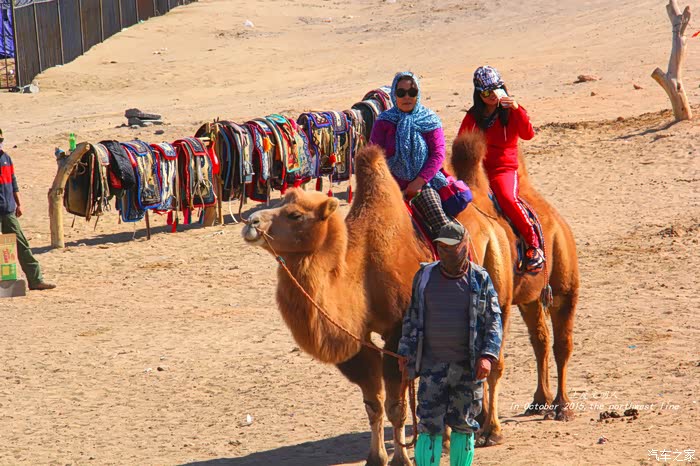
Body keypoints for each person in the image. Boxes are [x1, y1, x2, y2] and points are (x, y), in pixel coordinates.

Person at [398, 222, 502, 466]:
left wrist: (487, 356)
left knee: (464, 425)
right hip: (432, 369)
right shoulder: (424, 277)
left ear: (464, 246)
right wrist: (405, 352)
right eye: (442, 247)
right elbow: (412, 317)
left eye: (452, 247)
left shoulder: (479, 279)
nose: (447, 252)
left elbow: (493, 320)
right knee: (428, 426)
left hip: (468, 368)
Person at [457, 65, 544, 273]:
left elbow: (528, 134)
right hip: (479, 168)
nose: (492, 96)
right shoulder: (474, 117)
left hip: (504, 168)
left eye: (495, 90)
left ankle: (534, 244)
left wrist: (517, 108)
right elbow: (462, 141)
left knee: (506, 197)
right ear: (479, 94)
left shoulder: (512, 112)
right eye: (486, 92)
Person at [369, 71, 457, 239]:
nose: (407, 97)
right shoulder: (383, 121)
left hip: (424, 185)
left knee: (444, 228)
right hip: (390, 187)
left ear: (418, 93)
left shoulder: (429, 119)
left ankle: (457, 255)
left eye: (412, 92)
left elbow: (438, 154)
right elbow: (373, 156)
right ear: (394, 94)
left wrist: (418, 182)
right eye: (401, 92)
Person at [0, 129, 56, 291]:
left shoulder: (6, 158)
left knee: (20, 245)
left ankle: (35, 280)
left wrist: (19, 203)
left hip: (8, 210)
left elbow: (13, 182)